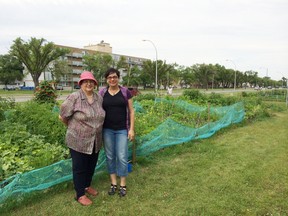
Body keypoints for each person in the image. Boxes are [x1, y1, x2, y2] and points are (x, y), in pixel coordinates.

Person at [59, 71, 105, 206]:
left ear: (95, 84)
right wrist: (74, 127)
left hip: (95, 140)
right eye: (85, 81)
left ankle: (86, 186)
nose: (89, 84)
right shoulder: (74, 97)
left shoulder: (99, 98)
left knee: (91, 165)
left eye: (91, 81)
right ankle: (80, 194)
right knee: (79, 167)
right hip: (78, 140)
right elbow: (62, 116)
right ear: (81, 84)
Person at [99, 68, 135, 197]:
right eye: (109, 77)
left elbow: (131, 111)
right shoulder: (102, 93)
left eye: (114, 77)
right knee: (110, 156)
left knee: (122, 156)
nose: (112, 79)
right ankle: (113, 183)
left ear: (118, 78)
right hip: (107, 129)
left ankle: (123, 184)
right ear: (106, 79)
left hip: (121, 130)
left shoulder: (125, 92)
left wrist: (131, 129)